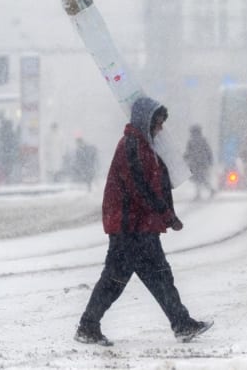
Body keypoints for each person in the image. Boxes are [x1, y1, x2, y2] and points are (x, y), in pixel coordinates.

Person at [75, 96, 212, 346]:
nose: (160, 128)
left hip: (140, 225)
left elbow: (160, 184)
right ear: (146, 121)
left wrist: (168, 215)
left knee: (152, 276)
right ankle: (88, 326)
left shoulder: (145, 146)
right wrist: (165, 214)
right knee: (122, 279)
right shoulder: (132, 145)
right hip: (129, 226)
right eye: (158, 123)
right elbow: (140, 187)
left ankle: (180, 323)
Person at [184, 124, 216, 200]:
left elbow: (188, 152)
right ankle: (208, 190)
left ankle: (203, 192)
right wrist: (210, 160)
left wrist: (185, 158)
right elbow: (208, 151)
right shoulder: (203, 140)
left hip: (196, 163)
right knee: (201, 178)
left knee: (199, 179)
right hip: (201, 163)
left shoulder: (191, 141)